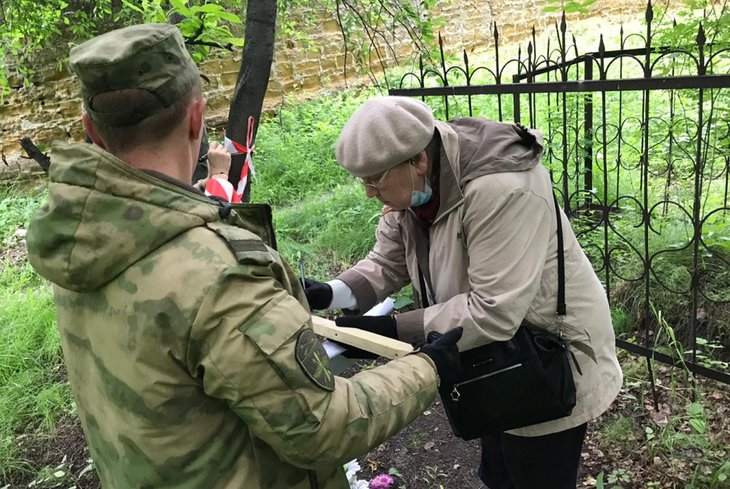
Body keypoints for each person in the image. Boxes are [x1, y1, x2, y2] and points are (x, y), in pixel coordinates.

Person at [25, 25, 464, 489]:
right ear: (197, 119)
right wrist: (428, 366)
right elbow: (324, 427)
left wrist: (333, 293)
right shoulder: (217, 273)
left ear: (93, 129)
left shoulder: (83, 238)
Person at [304, 96, 623, 489]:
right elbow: (388, 262)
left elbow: (493, 311)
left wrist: (387, 332)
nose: (369, 192)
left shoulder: (502, 186)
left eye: (375, 179)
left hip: (546, 353)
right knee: (498, 470)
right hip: (489, 354)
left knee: (537, 472)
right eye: (363, 180)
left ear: (418, 160)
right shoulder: (414, 185)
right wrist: (328, 293)